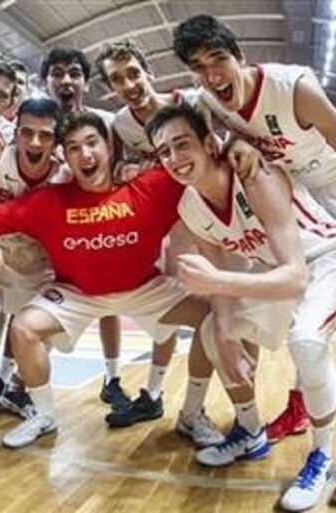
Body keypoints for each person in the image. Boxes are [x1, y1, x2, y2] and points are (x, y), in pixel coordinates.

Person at [173, 15, 336, 505]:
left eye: (218, 60)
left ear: (239, 56)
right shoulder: (209, 102)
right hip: (294, 203)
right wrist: (234, 143)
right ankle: (299, 405)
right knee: (303, 316)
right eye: (198, 67)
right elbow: (182, 120)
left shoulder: (294, 88)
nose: (211, 75)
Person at [0, 111, 210, 450]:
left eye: (92, 143)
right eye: (73, 148)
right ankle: (44, 415)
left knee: (213, 320)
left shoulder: (153, 186)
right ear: (66, 157)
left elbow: (201, 169)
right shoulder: (49, 202)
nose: (85, 154)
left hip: (144, 287)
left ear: (109, 147)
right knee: (23, 329)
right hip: (78, 293)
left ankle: (192, 413)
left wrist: (234, 149)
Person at [147, 104, 336, 512]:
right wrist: (224, 332)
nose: (173, 159)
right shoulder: (190, 206)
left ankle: (321, 457)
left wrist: (216, 283)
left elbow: (295, 277)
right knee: (210, 333)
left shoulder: (253, 174)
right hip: (269, 272)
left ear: (209, 143)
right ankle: (249, 431)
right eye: (164, 152)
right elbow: (220, 270)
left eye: (182, 145)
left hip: (325, 259)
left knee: (308, 344)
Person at [93, 38, 223, 440]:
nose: (129, 84)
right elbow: (114, 172)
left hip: (207, 218)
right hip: (164, 225)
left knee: (224, 314)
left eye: (133, 73)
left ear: (148, 71)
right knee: (170, 312)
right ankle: (155, 394)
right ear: (111, 87)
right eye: (117, 79)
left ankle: (227, 407)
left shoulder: (192, 103)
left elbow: (224, 146)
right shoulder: (120, 125)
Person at [0, 97, 70, 438]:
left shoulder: (65, 175)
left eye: (46, 136)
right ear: (15, 133)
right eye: (27, 133)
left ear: (57, 140)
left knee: (35, 330)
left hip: (37, 263)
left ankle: (13, 387)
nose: (35, 143)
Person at [39, 47, 129, 410]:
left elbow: (123, 165)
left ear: (85, 82)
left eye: (74, 73)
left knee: (109, 303)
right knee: (31, 301)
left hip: (95, 222)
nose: (66, 80)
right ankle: (14, 380)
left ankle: (112, 378)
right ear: (44, 81)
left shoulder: (106, 122)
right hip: (45, 228)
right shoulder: (33, 124)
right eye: (57, 73)